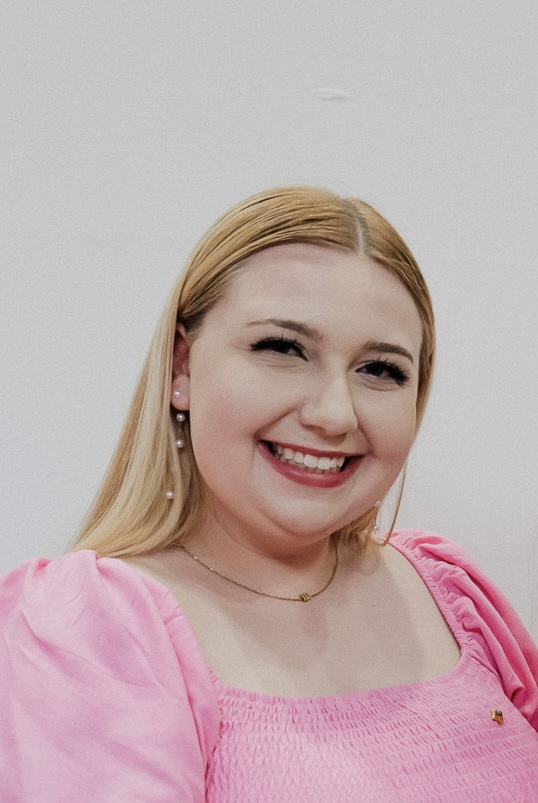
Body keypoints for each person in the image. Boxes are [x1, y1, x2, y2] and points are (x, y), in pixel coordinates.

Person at [1, 186, 537, 802]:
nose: (335, 414)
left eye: (381, 369)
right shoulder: (93, 627)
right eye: (282, 349)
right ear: (182, 369)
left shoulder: (452, 593)